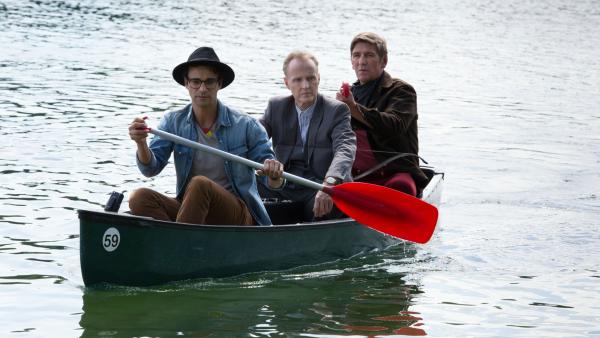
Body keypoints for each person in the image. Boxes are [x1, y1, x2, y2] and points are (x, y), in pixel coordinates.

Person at [127, 47, 284, 226]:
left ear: (219, 83)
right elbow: (150, 169)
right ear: (186, 83)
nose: (202, 88)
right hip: (192, 209)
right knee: (139, 197)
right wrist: (141, 143)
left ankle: (178, 246)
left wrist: (274, 174)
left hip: (238, 215)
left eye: (209, 81)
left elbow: (274, 182)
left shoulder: (246, 125)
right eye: (195, 81)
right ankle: (179, 240)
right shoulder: (172, 122)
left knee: (200, 184)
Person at [259, 51, 356, 221]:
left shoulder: (337, 110)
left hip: (322, 185)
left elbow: (345, 149)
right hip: (284, 182)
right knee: (240, 187)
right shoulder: (276, 107)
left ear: (318, 78)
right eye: (297, 80)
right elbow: (253, 138)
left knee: (321, 209)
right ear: (287, 82)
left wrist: (330, 184)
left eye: (311, 78)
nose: (305, 85)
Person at [336, 32, 428, 196]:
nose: (362, 61)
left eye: (369, 55)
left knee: (402, 188)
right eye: (357, 55)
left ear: (383, 61)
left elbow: (394, 126)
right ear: (352, 62)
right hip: (354, 175)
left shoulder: (402, 91)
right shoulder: (347, 97)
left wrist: (353, 108)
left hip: (394, 173)